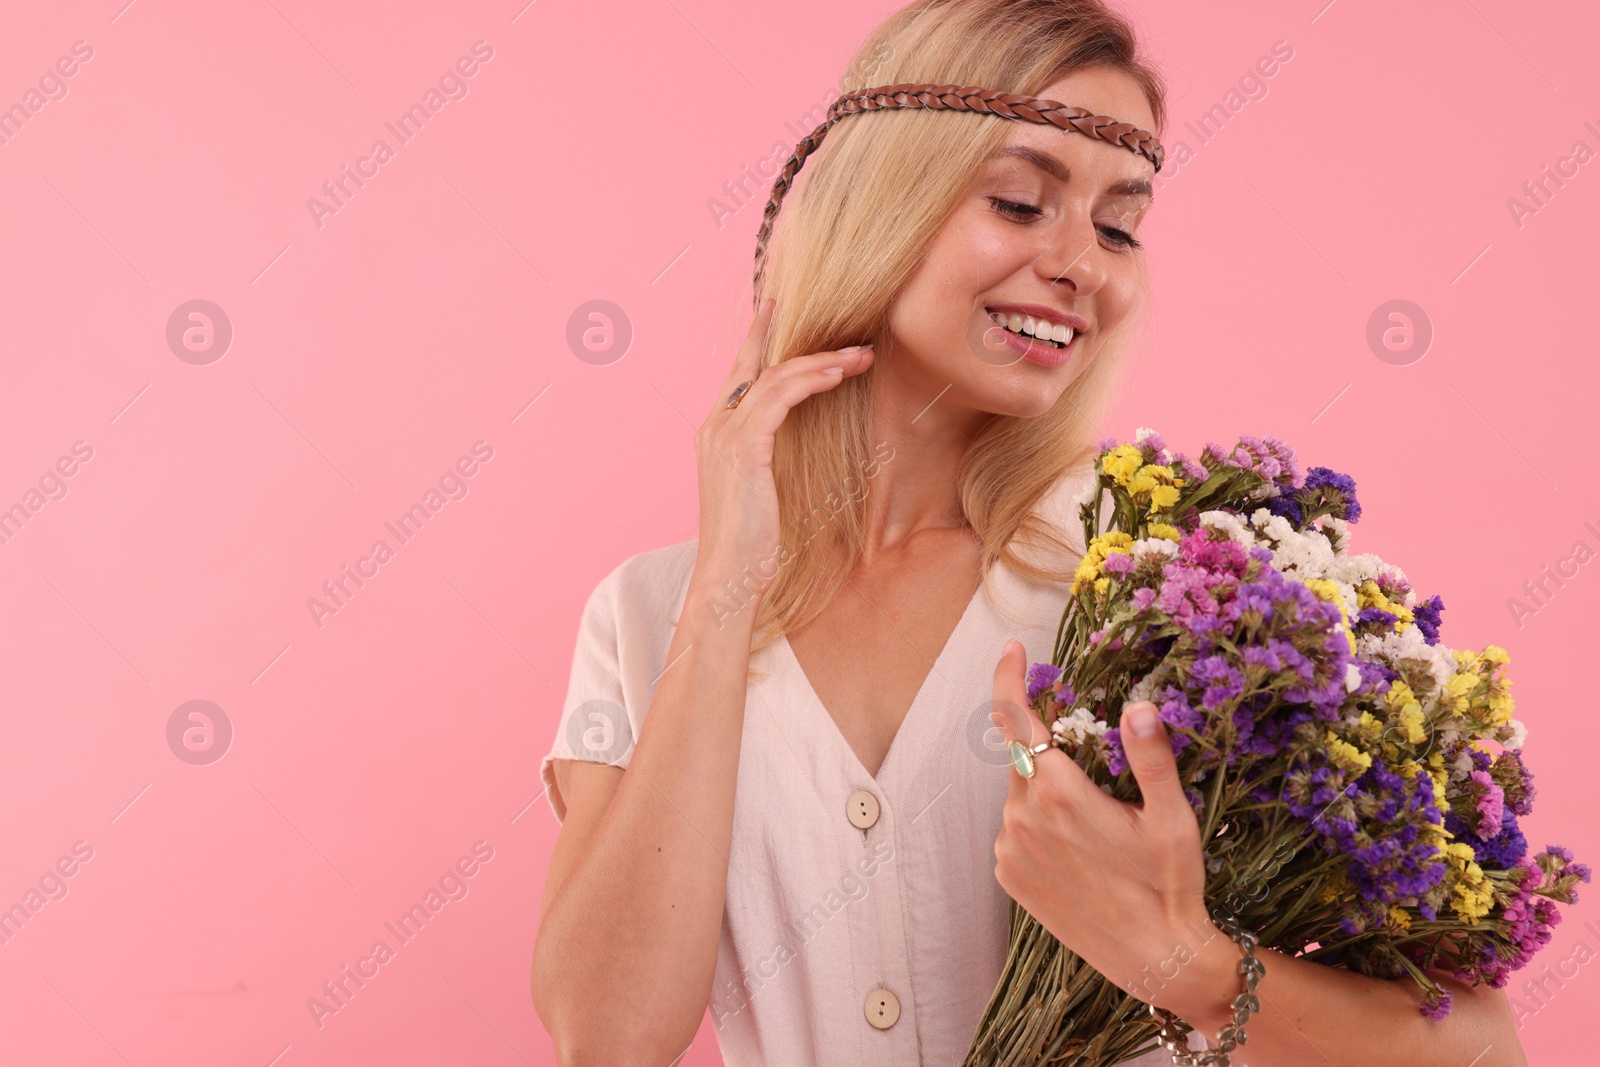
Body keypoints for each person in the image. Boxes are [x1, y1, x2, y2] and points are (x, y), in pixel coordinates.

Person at [532, 1, 1529, 1064]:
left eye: (1117, 225)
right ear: (880, 202)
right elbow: (609, 1034)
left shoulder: (1180, 588)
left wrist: (1178, 957)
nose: (1082, 266)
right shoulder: (647, 615)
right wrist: (730, 575)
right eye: (1021, 202)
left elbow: (1478, 1048)